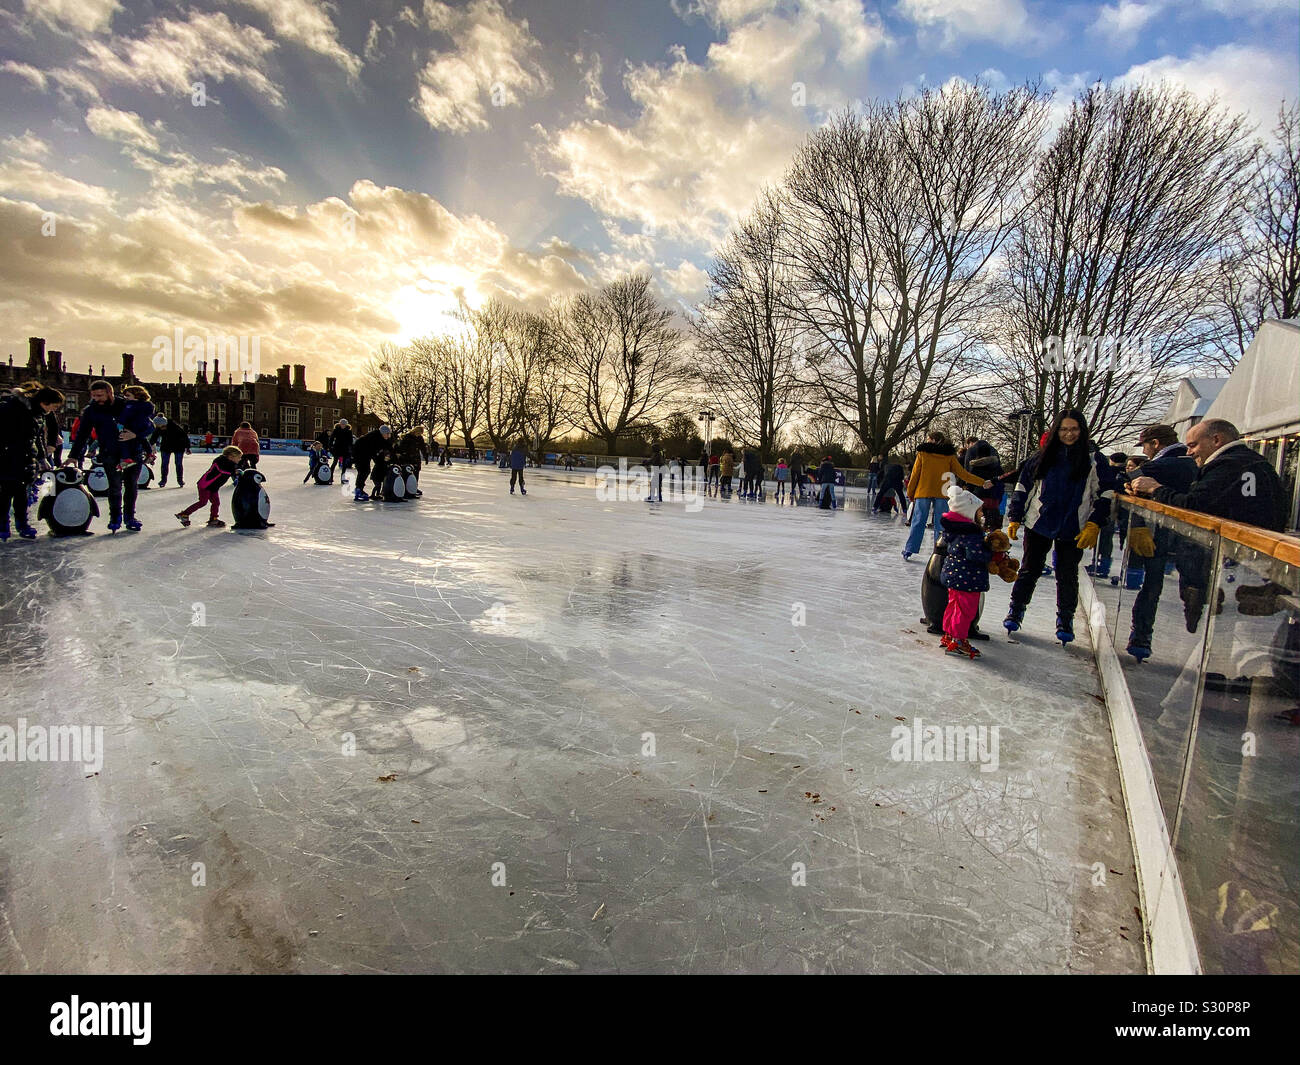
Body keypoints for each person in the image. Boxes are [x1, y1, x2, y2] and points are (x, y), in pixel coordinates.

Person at [1129, 418, 1285, 637]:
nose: (1189, 452)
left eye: (1193, 445)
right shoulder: (1260, 463)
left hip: (1233, 564)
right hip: (1254, 564)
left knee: (1220, 629)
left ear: (1216, 440)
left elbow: (1194, 505)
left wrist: (1156, 489)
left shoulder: (1226, 465)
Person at [1003, 409, 1118, 642]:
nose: (1069, 434)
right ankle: (1016, 608)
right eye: (1064, 429)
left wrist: (1095, 523)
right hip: (1039, 522)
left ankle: (1065, 619)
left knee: (1067, 574)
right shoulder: (1042, 456)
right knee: (1030, 568)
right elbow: (1023, 487)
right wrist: (1015, 515)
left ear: (1082, 430)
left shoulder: (1094, 459)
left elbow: (1105, 492)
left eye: (1074, 429)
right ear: (1056, 431)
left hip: (1073, 526)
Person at [1119, 425, 1197, 661]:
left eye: (1145, 446)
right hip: (1193, 539)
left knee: (1152, 586)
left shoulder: (1159, 466)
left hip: (1161, 535)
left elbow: (1126, 481)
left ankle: (1141, 635)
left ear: (1154, 444)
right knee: (1190, 583)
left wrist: (1137, 522)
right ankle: (1191, 622)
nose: (1145, 451)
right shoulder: (1197, 463)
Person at [68, 380, 155, 532]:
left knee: (131, 486)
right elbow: (82, 434)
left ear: (110, 393)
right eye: (93, 395)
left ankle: (130, 517)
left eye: (99, 395)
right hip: (109, 453)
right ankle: (115, 517)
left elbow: (149, 426)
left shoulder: (127, 405)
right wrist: (74, 455)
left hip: (133, 452)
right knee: (114, 487)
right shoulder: (91, 411)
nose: (96, 398)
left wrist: (136, 435)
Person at [902, 431, 991, 560]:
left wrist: (910, 492)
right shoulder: (949, 455)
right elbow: (963, 474)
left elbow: (915, 475)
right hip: (942, 493)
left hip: (923, 491)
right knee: (941, 524)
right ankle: (941, 550)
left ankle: (909, 549)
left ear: (932, 440)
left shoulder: (923, 453)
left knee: (918, 521)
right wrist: (982, 482)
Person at [938, 486, 994, 660]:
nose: (982, 515)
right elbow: (975, 555)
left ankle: (949, 634)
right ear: (968, 513)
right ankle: (958, 640)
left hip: (954, 575)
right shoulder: (971, 533)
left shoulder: (955, 530)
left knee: (954, 606)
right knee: (965, 610)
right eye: (979, 512)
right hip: (967, 578)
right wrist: (990, 552)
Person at [1, 385, 63, 540]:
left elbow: (36, 437)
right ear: (44, 402)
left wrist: (42, 458)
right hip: (7, 457)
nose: (52, 411)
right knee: (6, 493)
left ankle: (22, 524)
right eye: (53, 407)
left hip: (26, 457)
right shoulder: (15, 408)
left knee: (22, 493)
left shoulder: (38, 413)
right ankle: (3, 526)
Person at [175, 446, 243, 527]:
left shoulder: (230, 465)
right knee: (203, 502)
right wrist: (235, 471)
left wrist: (237, 471)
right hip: (205, 485)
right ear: (231, 456)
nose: (240, 459)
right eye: (238, 457)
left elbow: (230, 470)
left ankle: (213, 519)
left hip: (213, 487)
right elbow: (223, 470)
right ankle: (184, 514)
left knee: (216, 502)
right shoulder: (220, 462)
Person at [964, 440, 1005, 530]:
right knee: (992, 529)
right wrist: (998, 497)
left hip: (978, 501)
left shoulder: (975, 468)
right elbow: (1001, 484)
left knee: (977, 528)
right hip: (993, 501)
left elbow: (970, 485)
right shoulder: (998, 468)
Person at [117, 385, 156, 472]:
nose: (125, 397)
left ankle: (126, 458)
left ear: (137, 395)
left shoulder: (130, 405)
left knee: (123, 440)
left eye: (128, 395)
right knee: (143, 439)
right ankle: (149, 453)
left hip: (133, 426)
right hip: (143, 425)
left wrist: (120, 422)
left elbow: (125, 415)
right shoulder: (147, 405)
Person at [351, 425, 393, 501]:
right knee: (364, 471)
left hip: (365, 454)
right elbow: (374, 452)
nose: (388, 436)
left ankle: (359, 489)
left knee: (365, 471)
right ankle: (358, 490)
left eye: (389, 434)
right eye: (387, 434)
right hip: (360, 453)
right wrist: (380, 461)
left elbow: (388, 448)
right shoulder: (374, 438)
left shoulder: (382, 438)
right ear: (382, 433)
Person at [156, 416, 191, 487]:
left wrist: (187, 448)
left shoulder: (176, 428)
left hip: (178, 447)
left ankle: (180, 480)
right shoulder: (160, 428)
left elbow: (185, 436)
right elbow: (154, 436)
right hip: (166, 447)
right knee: (165, 464)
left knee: (178, 464)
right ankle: (163, 480)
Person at [397, 427, 430, 495]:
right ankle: (405, 488)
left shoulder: (420, 438)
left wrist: (425, 456)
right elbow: (402, 447)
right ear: (415, 431)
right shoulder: (407, 437)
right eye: (418, 433)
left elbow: (423, 447)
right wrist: (402, 455)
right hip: (407, 458)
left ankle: (414, 487)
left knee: (416, 473)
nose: (419, 434)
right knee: (407, 472)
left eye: (420, 434)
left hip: (416, 457)